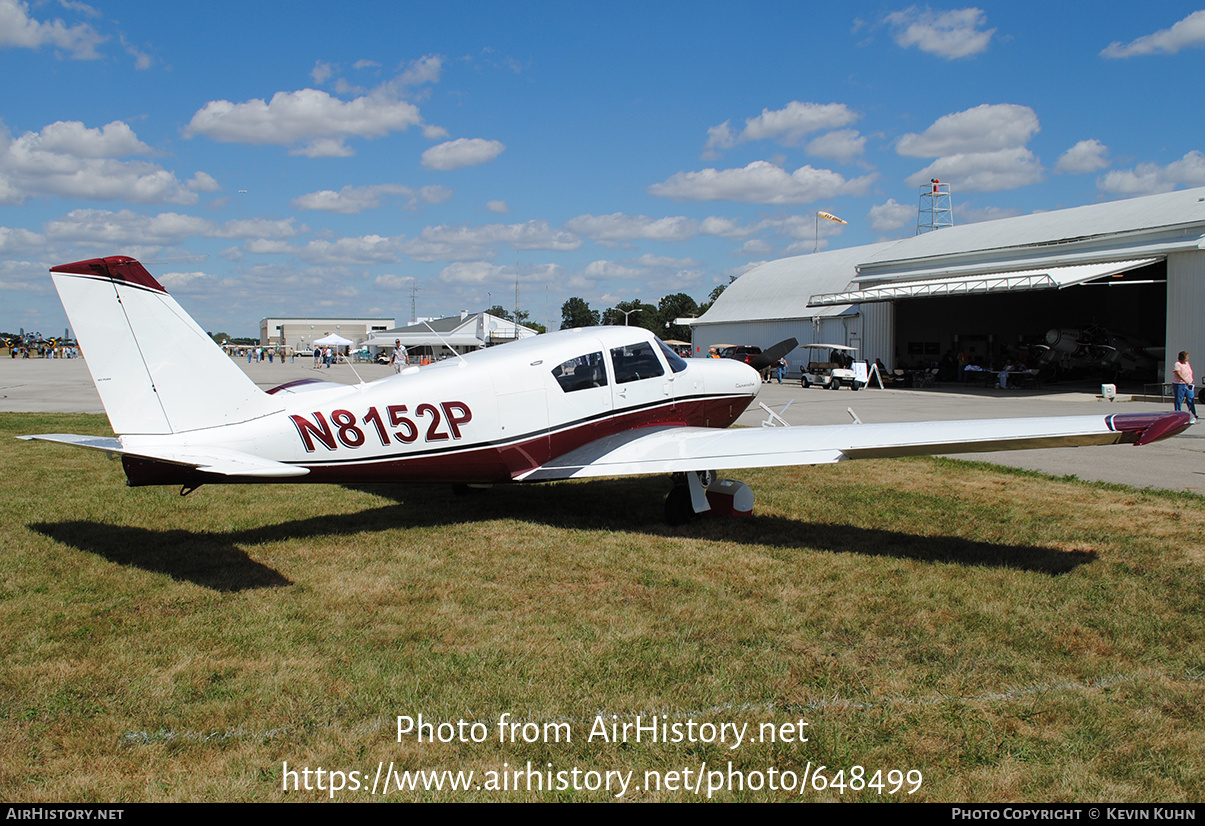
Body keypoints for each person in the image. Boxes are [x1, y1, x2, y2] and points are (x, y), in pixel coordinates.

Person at [1172, 351, 1198, 420]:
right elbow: (1178, 373)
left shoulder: (1187, 364)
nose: (1188, 358)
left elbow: (1189, 372)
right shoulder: (1177, 364)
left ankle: (1193, 414)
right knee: (1179, 399)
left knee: (1190, 399)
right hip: (1180, 384)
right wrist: (1185, 380)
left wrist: (1190, 380)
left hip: (1189, 384)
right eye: (1187, 357)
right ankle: (1178, 414)